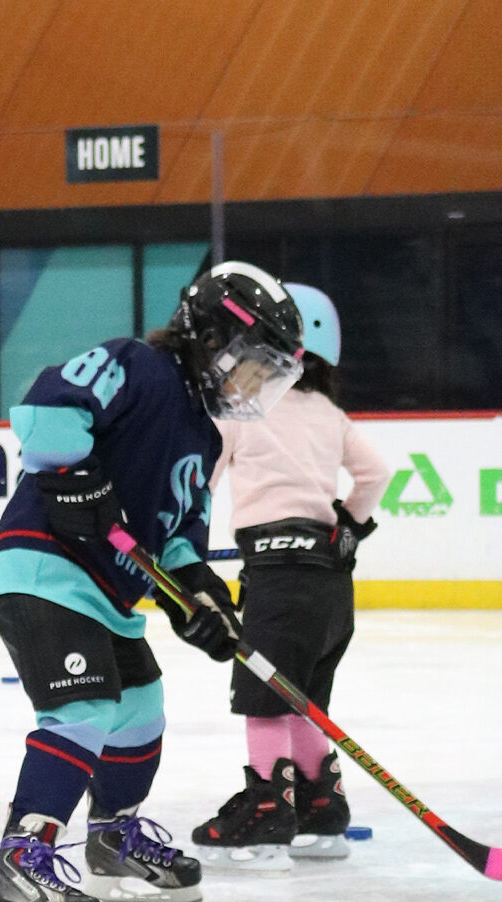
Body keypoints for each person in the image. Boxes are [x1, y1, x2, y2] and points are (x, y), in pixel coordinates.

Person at [0, 261, 305, 902]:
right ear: (211, 334)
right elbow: (43, 407)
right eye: (251, 363)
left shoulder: (205, 435)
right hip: (43, 568)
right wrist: (74, 473)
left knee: (139, 710)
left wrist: (200, 597)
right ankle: (20, 862)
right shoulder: (140, 366)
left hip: (104, 592)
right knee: (84, 707)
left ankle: (112, 837)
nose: (252, 384)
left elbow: (176, 535)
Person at [192, 282, 390, 869]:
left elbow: (200, 482)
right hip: (330, 580)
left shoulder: (242, 405)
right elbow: (375, 473)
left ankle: (267, 816)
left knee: (264, 700)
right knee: (301, 701)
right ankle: (322, 808)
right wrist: (348, 526)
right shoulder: (328, 412)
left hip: (277, 579)